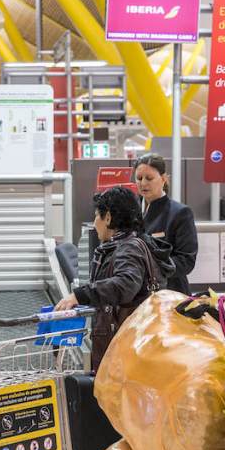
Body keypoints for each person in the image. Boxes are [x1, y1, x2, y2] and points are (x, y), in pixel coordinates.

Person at [55, 186, 174, 370]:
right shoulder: (134, 244)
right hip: (135, 343)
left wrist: (80, 295)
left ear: (108, 217)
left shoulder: (128, 248)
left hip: (125, 350)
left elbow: (125, 285)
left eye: (97, 216)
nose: (95, 223)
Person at [133, 153, 198, 294]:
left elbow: (186, 261)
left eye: (149, 178)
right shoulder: (131, 211)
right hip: (136, 295)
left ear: (163, 179)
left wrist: (150, 269)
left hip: (170, 293)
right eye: (139, 178)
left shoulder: (180, 213)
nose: (143, 183)